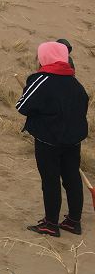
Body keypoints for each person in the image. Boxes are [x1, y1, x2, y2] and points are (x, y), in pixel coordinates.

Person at [17, 41, 89, 237]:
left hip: (48, 140)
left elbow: (22, 106)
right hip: (73, 140)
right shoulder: (75, 83)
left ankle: (50, 224)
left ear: (44, 57)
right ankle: (73, 222)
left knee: (50, 180)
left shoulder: (41, 79)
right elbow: (81, 108)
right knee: (72, 178)